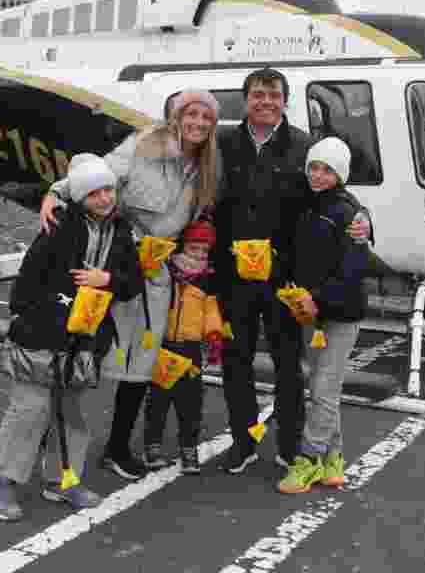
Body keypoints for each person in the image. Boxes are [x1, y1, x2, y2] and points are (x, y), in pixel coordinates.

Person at [38, 89, 222, 480]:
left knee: (139, 365)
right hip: (112, 259)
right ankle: (48, 443)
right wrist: (55, 193)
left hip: (154, 275)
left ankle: (117, 448)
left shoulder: (205, 166)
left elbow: (192, 222)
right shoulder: (143, 145)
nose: (199, 124)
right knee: (82, 355)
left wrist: (185, 254)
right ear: (175, 116)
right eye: (192, 114)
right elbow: (98, 173)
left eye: (207, 118)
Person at [0, 154, 142, 521]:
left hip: (86, 339)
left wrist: (108, 281)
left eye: (108, 191)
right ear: (79, 197)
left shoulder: (121, 232)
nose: (104, 199)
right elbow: (24, 289)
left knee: (71, 412)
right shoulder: (55, 227)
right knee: (31, 408)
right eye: (94, 194)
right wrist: (50, 312)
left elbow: (132, 282)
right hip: (43, 334)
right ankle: (2, 480)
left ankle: (63, 480)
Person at [210, 68, 318, 474]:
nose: (266, 102)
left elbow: (328, 197)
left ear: (284, 101)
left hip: (282, 279)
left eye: (274, 95)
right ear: (246, 99)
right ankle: (244, 441)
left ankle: (290, 445)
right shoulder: (222, 143)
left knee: (289, 364)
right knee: (235, 362)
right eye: (258, 95)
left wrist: (360, 219)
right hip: (232, 278)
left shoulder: (304, 147)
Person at [278, 137, 372, 493]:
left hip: (339, 315)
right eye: (313, 168)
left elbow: (354, 269)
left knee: (322, 388)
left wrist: (316, 298)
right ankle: (334, 457)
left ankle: (309, 459)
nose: (318, 175)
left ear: (341, 174)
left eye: (327, 170)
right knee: (323, 388)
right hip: (310, 312)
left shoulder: (349, 212)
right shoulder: (306, 203)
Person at [143, 219, 223, 475]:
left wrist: (213, 333)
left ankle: (189, 447)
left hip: (191, 347)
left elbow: (210, 307)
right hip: (164, 344)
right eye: (193, 248)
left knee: (190, 401)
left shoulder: (208, 277)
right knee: (158, 399)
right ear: (183, 247)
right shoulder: (166, 269)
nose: (199, 255)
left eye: (204, 250)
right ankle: (152, 445)